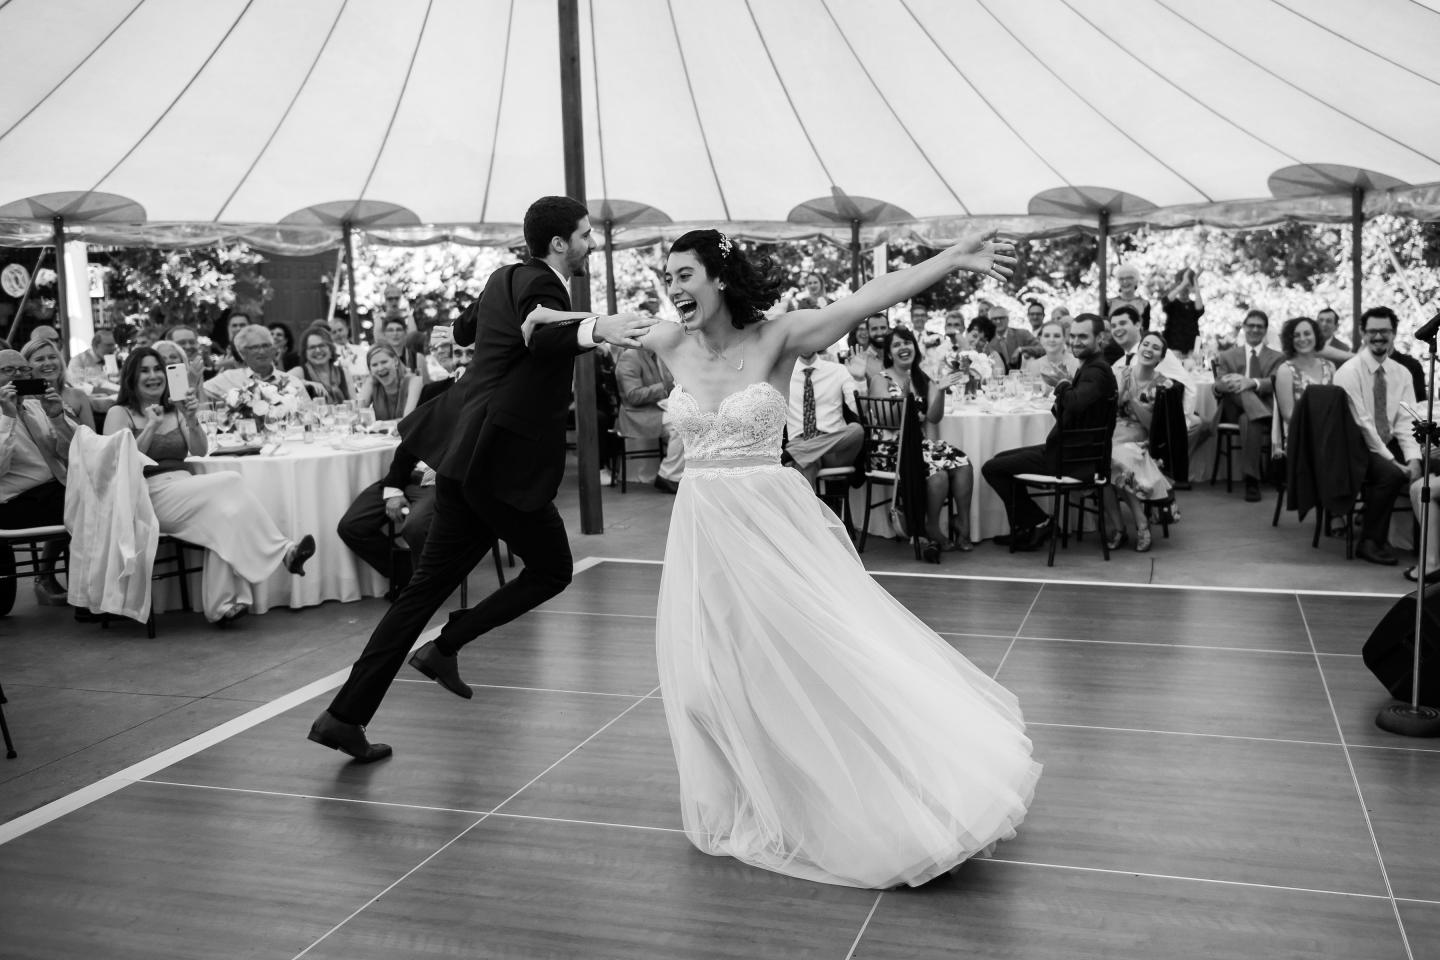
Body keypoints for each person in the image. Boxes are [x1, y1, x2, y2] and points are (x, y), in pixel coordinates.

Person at [608, 226, 1036, 889]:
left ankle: (885, 791)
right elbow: (587, 327)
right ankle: (750, 795)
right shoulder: (668, 342)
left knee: (815, 659)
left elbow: (868, 297)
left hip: (769, 524)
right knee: (700, 681)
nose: (672, 289)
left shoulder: (778, 337)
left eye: (684, 275)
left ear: (719, 278)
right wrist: (544, 316)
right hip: (701, 529)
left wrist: (949, 259)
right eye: (667, 279)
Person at [310, 195, 656, 764]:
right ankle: (448, 644)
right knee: (551, 569)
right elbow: (540, 335)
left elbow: (467, 328)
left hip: (461, 456)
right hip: (498, 462)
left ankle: (343, 716)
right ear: (559, 244)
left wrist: (519, 317)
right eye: (586, 236)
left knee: (420, 594)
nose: (592, 244)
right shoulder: (545, 285)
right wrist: (598, 328)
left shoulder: (505, 276)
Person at [103, 348, 315, 622]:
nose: (154, 376)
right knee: (231, 480)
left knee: (228, 516)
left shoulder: (174, 409)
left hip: (184, 487)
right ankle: (285, 551)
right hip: (145, 493)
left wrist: (190, 420)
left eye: (158, 369)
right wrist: (151, 426)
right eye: (144, 370)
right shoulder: (119, 413)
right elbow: (118, 464)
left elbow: (199, 450)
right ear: (131, 376)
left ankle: (223, 607)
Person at [982, 313, 1118, 551]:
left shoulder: (1098, 371)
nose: (1076, 341)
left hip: (1073, 458)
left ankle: (1039, 522)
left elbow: (1074, 403)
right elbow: (1073, 410)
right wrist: (1064, 388)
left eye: (1083, 337)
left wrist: (1062, 384)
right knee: (1000, 461)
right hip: (1070, 451)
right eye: (1073, 336)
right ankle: (1026, 526)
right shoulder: (1092, 367)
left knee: (992, 469)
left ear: (1100, 338)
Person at [867, 325, 975, 551]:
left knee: (963, 463)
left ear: (914, 347)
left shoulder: (921, 378)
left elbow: (934, 417)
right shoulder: (881, 379)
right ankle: (932, 527)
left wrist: (941, 391)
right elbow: (888, 420)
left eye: (906, 342)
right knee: (939, 476)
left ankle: (963, 526)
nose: (903, 347)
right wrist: (905, 397)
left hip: (920, 446)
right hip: (890, 449)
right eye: (896, 345)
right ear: (889, 353)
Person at [1333, 307, 1418, 567]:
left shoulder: (1402, 373)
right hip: (1355, 445)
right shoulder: (1349, 372)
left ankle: (1422, 543)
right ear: (1363, 334)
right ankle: (1369, 541)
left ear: (1394, 334)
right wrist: (1393, 461)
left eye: (1384, 331)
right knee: (1390, 474)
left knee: (1429, 464)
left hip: (1387, 439)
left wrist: (1413, 458)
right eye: (1373, 331)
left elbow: (1406, 422)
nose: (1378, 336)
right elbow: (1363, 424)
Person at [0, 348, 75, 605]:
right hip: (13, 503)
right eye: (9, 371)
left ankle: (89, 589)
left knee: (95, 495)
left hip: (55, 490)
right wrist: (7, 417)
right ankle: (88, 595)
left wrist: (56, 415)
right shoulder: (5, 415)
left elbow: (72, 451)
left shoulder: (35, 405)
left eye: (23, 370)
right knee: (89, 501)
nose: (18, 376)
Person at [1104, 332, 1176, 552]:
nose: (1148, 349)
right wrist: (1119, 396)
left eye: (1155, 348)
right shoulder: (1120, 373)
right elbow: (1106, 411)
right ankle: (1134, 525)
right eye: (1146, 344)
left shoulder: (1164, 384)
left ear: (1160, 357)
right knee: (1104, 463)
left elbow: (1153, 426)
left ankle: (1127, 527)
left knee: (1113, 462)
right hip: (1112, 432)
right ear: (1138, 349)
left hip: (1139, 437)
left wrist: (1132, 401)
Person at [1213, 309, 1283, 502]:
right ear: (1244, 328)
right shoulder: (1227, 355)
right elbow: (1217, 385)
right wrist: (1233, 382)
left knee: (1250, 419)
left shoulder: (1277, 357)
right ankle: (1261, 413)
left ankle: (1251, 480)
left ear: (1265, 330)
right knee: (1239, 386)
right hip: (1233, 409)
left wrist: (1252, 382)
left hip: (1258, 409)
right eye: (1250, 325)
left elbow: (1276, 382)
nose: (1254, 329)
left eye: (1259, 326)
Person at [785, 348, 862, 489]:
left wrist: (859, 380)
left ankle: (793, 453)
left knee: (857, 431)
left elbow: (858, 409)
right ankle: (810, 511)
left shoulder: (838, 370)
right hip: (801, 442)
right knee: (806, 463)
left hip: (835, 446)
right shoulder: (783, 373)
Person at [614, 346, 684, 491]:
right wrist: (664, 387)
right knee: (681, 424)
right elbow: (633, 396)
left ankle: (677, 473)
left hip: (655, 408)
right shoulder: (630, 356)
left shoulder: (655, 354)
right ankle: (668, 475)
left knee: (688, 417)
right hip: (635, 415)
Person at [202, 325, 308, 401]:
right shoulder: (229, 378)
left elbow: (310, 415)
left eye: (266, 346)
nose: (262, 351)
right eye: (254, 347)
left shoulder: (291, 382)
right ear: (243, 353)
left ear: (273, 350)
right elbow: (200, 393)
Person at [1273, 316, 1336, 443]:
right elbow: (1289, 416)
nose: (1302, 339)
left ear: (1316, 336)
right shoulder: (1285, 370)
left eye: (1307, 334)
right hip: (1300, 439)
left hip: (1331, 436)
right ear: (1290, 340)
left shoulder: (1330, 367)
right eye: (1296, 335)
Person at [21, 337, 95, 431]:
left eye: (52, 357)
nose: (48, 363)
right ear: (26, 367)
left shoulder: (78, 396)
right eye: (40, 359)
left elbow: (92, 439)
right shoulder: (23, 401)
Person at [357, 344, 421, 421]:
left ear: (396, 361)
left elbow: (407, 421)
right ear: (370, 370)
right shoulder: (372, 383)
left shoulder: (414, 381)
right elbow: (357, 415)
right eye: (374, 365)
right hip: (381, 432)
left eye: (384, 362)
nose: (380, 368)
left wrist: (380, 425)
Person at [289, 326, 353, 404]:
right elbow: (276, 383)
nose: (318, 350)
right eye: (312, 347)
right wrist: (305, 383)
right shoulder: (300, 371)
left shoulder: (344, 372)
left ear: (330, 348)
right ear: (305, 352)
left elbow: (355, 403)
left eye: (322, 345)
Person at [1021, 320, 1079, 388]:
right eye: (1047, 336)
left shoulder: (1076, 364)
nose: (1051, 340)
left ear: (1064, 339)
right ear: (1041, 339)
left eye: (1057, 336)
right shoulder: (1034, 365)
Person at [1160, 267, 1204, 355]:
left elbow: (1199, 309)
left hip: (1194, 348)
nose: (1185, 290)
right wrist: (1182, 284)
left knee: (1196, 366)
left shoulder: (1193, 305)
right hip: (1173, 347)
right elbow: (1166, 301)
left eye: (1187, 286)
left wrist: (1195, 283)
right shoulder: (1173, 304)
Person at [67, 328, 120, 398]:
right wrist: (106, 390)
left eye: (113, 345)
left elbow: (115, 380)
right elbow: (77, 386)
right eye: (109, 345)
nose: (113, 348)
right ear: (95, 345)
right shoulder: (78, 361)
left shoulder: (112, 358)